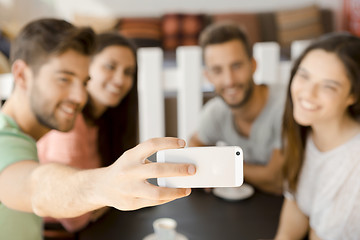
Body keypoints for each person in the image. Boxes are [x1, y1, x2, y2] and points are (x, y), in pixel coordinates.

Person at [0, 18, 196, 240]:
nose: (80, 97)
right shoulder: (4, 142)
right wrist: (104, 186)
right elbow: (35, 187)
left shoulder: (24, 140)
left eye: (84, 83)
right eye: (64, 79)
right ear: (21, 75)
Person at [37, 32, 138, 234]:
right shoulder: (71, 125)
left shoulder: (105, 122)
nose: (120, 79)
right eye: (110, 66)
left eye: (128, 72)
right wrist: (108, 198)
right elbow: (74, 218)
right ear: (87, 68)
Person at [274, 33, 360, 239]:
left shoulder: (354, 164)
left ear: (353, 96)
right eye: (304, 76)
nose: (308, 93)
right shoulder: (305, 131)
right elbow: (297, 205)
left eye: (328, 86)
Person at [189, 22, 286, 194]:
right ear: (208, 76)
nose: (229, 80)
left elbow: (275, 179)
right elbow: (195, 143)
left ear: (253, 65)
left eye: (236, 66)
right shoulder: (216, 111)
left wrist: (221, 166)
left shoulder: (285, 106)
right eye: (217, 70)